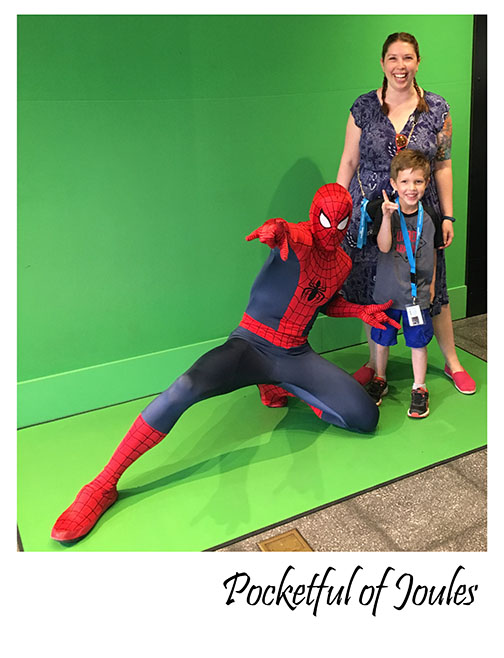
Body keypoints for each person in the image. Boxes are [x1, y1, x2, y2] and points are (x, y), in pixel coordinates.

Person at [51, 183, 401, 542]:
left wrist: (360, 311)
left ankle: (286, 386)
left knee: (365, 418)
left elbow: (323, 302)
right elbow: (283, 231)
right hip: (250, 345)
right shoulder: (298, 240)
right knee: (185, 386)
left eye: (341, 224)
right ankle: (102, 484)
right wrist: (275, 230)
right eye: (326, 221)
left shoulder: (341, 263)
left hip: (294, 354)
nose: (332, 231)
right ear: (314, 215)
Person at [336, 31, 476, 395]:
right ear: (383, 63)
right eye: (393, 58)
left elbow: (442, 165)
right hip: (370, 215)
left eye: (408, 58)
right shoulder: (363, 107)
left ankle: (453, 360)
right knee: (374, 287)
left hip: (420, 214)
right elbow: (349, 161)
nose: (401, 66)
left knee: (430, 286)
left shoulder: (437, 109)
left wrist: (448, 216)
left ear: (418, 62)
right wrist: (337, 209)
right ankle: (375, 364)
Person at [365, 149, 444, 418]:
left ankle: (419, 387)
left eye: (418, 181)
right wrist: (387, 217)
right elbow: (384, 247)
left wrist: (431, 286)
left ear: (426, 183)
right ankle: (380, 378)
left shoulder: (430, 216)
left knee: (418, 343)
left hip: (416, 297)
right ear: (394, 183)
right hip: (387, 295)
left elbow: (433, 253)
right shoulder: (386, 213)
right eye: (405, 182)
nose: (411, 188)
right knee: (382, 341)